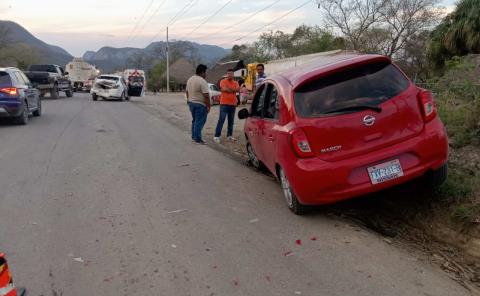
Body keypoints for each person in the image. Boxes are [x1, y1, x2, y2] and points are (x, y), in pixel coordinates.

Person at [186, 64, 210, 144]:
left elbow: (187, 92)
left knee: (195, 120)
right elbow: (206, 95)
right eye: (205, 72)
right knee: (200, 121)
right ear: (202, 72)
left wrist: (188, 100)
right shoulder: (202, 81)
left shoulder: (190, 79)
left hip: (191, 103)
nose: (206, 74)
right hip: (200, 104)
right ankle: (198, 139)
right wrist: (208, 106)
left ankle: (193, 136)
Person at [213, 69, 240, 143]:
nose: (230, 75)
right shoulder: (223, 81)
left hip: (233, 104)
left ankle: (229, 136)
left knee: (231, 121)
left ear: (233, 75)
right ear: (226, 74)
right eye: (228, 73)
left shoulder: (236, 82)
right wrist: (233, 90)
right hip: (224, 103)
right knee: (221, 120)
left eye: (231, 74)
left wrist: (229, 89)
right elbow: (224, 89)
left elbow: (238, 89)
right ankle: (216, 136)